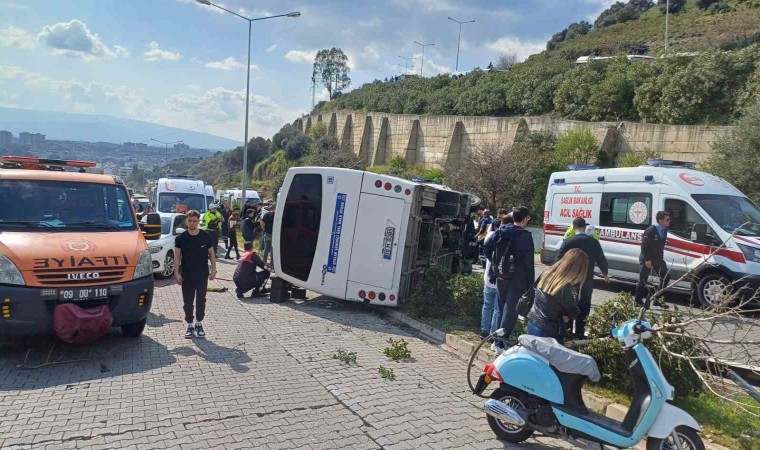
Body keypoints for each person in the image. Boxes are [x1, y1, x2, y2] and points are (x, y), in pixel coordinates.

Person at [555, 217, 609, 338]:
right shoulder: (594, 242)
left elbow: (557, 260)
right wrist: (605, 272)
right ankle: (580, 332)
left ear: (573, 228)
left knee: (568, 306)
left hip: (570, 280)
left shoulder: (568, 241)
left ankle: (567, 333)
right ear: (585, 227)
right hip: (587, 280)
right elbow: (601, 259)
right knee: (584, 308)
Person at [491, 206, 535, 349]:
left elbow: (488, 248)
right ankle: (500, 343)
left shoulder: (501, 231)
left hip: (500, 275)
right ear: (524, 219)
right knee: (510, 311)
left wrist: (494, 269)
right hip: (517, 279)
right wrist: (530, 284)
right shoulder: (525, 236)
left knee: (500, 309)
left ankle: (495, 340)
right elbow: (528, 262)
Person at [527, 248, 588, 344]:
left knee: (535, 357)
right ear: (579, 269)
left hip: (533, 322)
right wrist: (568, 316)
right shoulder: (565, 287)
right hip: (550, 331)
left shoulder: (547, 273)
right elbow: (574, 311)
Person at [174, 210, 217, 339]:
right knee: (187, 302)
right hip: (186, 275)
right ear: (186, 221)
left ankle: (199, 323)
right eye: (189, 221)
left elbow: (212, 254)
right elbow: (177, 256)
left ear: (198, 221)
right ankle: (189, 325)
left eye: (194, 221)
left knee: (201, 300)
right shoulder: (181, 238)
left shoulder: (205, 236)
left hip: (202, 274)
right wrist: (176, 273)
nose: (192, 223)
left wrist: (213, 270)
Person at [635, 211, 671, 306]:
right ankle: (637, 301)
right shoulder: (650, 230)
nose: (669, 221)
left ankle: (657, 299)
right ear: (660, 220)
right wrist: (647, 260)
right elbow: (644, 246)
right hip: (647, 259)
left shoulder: (665, 231)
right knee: (643, 280)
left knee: (666, 276)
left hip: (657, 259)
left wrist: (661, 259)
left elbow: (661, 247)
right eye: (667, 220)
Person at [480, 227, 501, 337]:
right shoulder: (508, 239)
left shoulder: (490, 237)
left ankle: (484, 330)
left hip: (488, 278)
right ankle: (493, 334)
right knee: (497, 309)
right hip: (500, 281)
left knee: (487, 305)